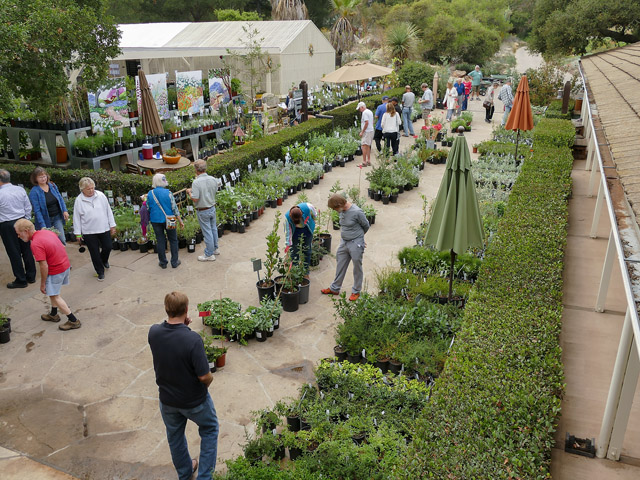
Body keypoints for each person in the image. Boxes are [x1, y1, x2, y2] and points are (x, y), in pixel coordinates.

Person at [148, 291, 219, 480]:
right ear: (187, 310)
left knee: (175, 437)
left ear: (166, 309)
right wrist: (209, 382)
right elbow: (204, 376)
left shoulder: (153, 332)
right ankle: (204, 477)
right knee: (210, 429)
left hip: (168, 400)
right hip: (194, 401)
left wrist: (182, 328)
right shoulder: (193, 340)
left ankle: (185, 473)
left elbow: (170, 343)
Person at [14, 219, 81, 330]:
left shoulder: (35, 244)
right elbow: (62, 247)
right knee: (52, 292)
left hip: (56, 270)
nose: (18, 236)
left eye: (18, 233)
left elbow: (44, 266)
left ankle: (73, 320)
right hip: (65, 266)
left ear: (26, 231)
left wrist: (42, 284)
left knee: (55, 295)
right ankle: (53, 314)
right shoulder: (46, 232)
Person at [321, 194, 370, 302]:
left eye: (335, 208)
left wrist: (359, 239)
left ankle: (356, 291)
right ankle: (335, 288)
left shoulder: (357, 212)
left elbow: (366, 225)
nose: (335, 210)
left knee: (357, 267)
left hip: (355, 243)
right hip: (344, 242)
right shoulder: (341, 211)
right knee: (340, 264)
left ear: (340, 204)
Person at [73, 177, 116, 282]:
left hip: (103, 227)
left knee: (108, 246)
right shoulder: (79, 200)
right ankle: (100, 271)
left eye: (92, 188)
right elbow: (76, 217)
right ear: (82, 189)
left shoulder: (100, 195)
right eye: (88, 189)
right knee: (94, 252)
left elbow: (108, 211)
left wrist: (112, 225)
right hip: (89, 231)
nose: (91, 190)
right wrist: (78, 233)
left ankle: (104, 260)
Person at [0, 169, 36, 288]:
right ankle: (31, 276)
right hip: (21, 220)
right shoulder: (20, 189)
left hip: (7, 224)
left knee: (13, 252)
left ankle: (21, 279)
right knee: (26, 249)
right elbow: (27, 206)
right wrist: (26, 220)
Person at [187, 160, 221, 262]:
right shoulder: (213, 179)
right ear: (205, 168)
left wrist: (189, 192)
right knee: (213, 229)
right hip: (212, 207)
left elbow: (195, 199)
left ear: (196, 170)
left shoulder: (196, 182)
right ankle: (215, 249)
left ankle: (209, 254)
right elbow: (215, 191)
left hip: (203, 210)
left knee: (207, 232)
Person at [147, 174, 184, 269]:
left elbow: (148, 207)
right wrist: (180, 221)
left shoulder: (150, 193)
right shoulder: (168, 193)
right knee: (173, 240)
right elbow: (174, 208)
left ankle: (163, 262)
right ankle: (174, 262)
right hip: (170, 218)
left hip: (155, 220)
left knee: (160, 240)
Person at [28, 167, 69, 245]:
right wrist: (43, 225)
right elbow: (37, 211)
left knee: (62, 240)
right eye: (40, 177)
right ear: (35, 179)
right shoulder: (34, 192)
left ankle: (61, 256)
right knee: (49, 242)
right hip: (45, 220)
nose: (43, 179)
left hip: (57, 217)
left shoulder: (52, 186)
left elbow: (60, 199)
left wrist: (65, 210)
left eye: (44, 176)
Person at [284, 202, 317, 275]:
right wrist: (288, 245)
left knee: (307, 250)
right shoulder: (287, 218)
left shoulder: (308, 207)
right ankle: (295, 272)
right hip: (295, 232)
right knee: (294, 252)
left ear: (302, 213)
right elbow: (288, 233)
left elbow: (314, 214)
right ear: (290, 216)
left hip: (307, 229)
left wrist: (314, 219)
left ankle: (306, 272)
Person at [356, 101, 374, 167]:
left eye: (360, 108)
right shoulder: (370, 111)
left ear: (362, 107)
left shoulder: (365, 113)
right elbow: (372, 121)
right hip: (371, 130)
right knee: (368, 145)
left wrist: (362, 132)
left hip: (367, 131)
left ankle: (364, 161)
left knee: (364, 146)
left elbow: (366, 122)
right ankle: (368, 160)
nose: (359, 110)